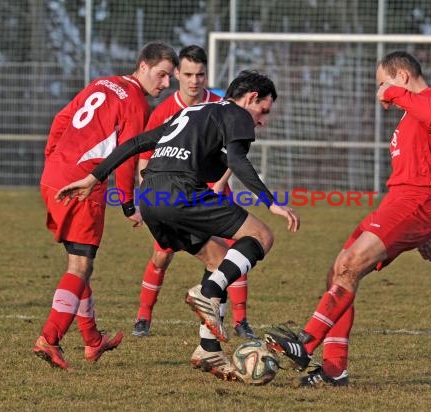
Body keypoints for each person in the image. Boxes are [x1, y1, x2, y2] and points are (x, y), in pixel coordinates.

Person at [54, 70, 300, 380]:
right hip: (180, 192)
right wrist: (272, 202)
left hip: (152, 198)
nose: (262, 120)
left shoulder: (194, 113)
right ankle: (207, 292)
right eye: (264, 109)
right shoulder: (236, 113)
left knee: (217, 260)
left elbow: (136, 142)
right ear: (251, 98)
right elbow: (237, 160)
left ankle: (208, 350)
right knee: (261, 235)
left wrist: (95, 177)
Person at [264, 50, 431, 387]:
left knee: (351, 265)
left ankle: (305, 344)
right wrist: (420, 230)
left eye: (383, 84)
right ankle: (335, 369)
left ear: (403, 77)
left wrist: (392, 92)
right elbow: (426, 161)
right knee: (338, 270)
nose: (381, 94)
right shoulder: (415, 111)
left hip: (413, 202)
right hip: (400, 204)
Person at [33, 41, 179, 370]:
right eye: (162, 75)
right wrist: (129, 204)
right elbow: (127, 156)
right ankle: (49, 337)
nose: (166, 84)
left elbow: (61, 119)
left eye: (169, 77)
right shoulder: (137, 104)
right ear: (143, 66)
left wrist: (53, 162)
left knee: (78, 264)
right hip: (83, 185)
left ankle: (92, 341)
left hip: (54, 175)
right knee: (80, 268)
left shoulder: (101, 82)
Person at [132, 45, 256, 340]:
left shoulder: (221, 103)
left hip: (214, 191)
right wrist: (147, 198)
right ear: (177, 74)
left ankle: (240, 321)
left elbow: (232, 151)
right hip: (173, 195)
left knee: (236, 251)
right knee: (162, 256)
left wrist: (221, 181)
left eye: (200, 74)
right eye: (188, 74)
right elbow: (144, 159)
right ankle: (143, 317)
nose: (194, 81)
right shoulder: (163, 111)